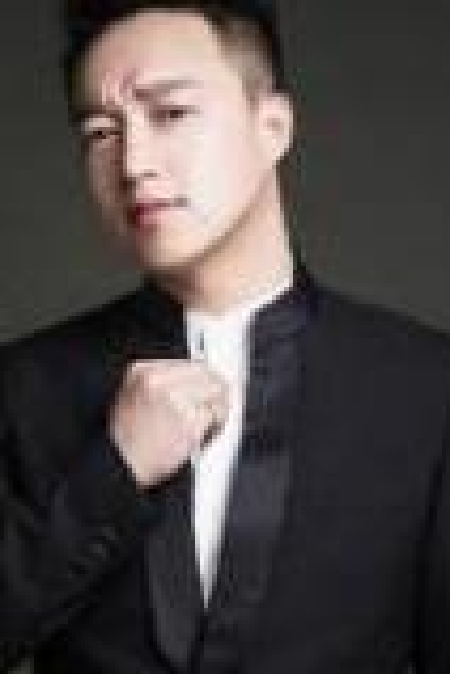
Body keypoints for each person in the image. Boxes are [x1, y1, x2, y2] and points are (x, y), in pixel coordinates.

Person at [0, 0, 449, 672]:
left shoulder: (426, 388)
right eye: (101, 132)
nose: (132, 163)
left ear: (273, 127)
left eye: (171, 113)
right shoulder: (26, 385)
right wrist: (113, 476)